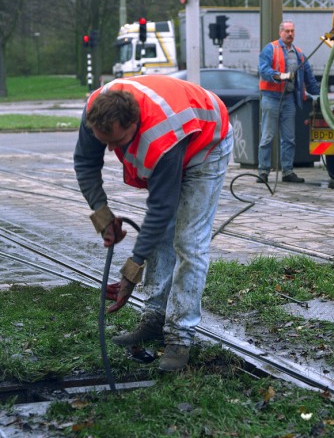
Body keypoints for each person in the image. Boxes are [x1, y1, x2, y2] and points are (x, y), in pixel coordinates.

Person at [74, 74, 233, 372]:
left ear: (135, 124)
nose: (111, 149)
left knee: (189, 242)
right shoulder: (95, 110)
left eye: (118, 142)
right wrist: (103, 217)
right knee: (160, 237)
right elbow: (85, 163)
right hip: (177, 128)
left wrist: (132, 271)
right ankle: (154, 319)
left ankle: (180, 337)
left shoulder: (161, 136)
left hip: (207, 141)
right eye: (104, 141)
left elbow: (161, 209)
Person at [257, 20, 320, 184]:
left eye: (292, 31)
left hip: (289, 100)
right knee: (267, 137)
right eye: (287, 31)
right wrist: (281, 76)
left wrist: (320, 94)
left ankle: (287, 172)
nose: (290, 34)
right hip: (271, 98)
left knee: (289, 138)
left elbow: (308, 77)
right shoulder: (270, 49)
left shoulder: (299, 54)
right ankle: (263, 172)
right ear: (280, 33)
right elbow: (263, 70)